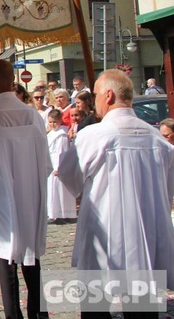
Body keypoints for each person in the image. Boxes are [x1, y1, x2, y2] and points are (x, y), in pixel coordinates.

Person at [59, 69, 174, 317]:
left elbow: (69, 176)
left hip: (104, 234)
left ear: (108, 95)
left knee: (96, 306)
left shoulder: (94, 135)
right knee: (142, 307)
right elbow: (167, 190)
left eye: (97, 95)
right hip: (147, 233)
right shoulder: (157, 138)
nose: (94, 102)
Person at [0, 59, 52, 319]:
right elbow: (46, 160)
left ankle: (13, 314)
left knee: (6, 255)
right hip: (33, 191)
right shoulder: (32, 115)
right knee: (32, 255)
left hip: (4, 193)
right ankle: (38, 312)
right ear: (12, 80)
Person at [45, 109, 76, 224]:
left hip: (57, 163)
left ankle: (60, 213)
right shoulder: (50, 134)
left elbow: (61, 151)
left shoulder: (62, 135)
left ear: (60, 121)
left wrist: (58, 167)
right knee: (52, 188)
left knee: (56, 188)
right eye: (50, 122)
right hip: (50, 161)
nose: (52, 125)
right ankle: (54, 212)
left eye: (55, 122)